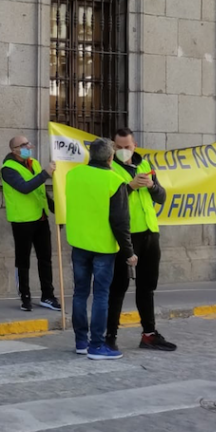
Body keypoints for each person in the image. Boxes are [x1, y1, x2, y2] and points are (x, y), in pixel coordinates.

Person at [106, 129, 176, 352]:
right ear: (112, 147)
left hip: (149, 232)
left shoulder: (145, 165)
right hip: (124, 235)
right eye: (118, 147)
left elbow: (162, 196)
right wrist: (130, 187)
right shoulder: (109, 167)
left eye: (127, 146)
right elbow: (106, 201)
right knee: (118, 286)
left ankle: (149, 334)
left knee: (147, 286)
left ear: (135, 145)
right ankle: (110, 336)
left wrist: (152, 186)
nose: (123, 151)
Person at [65, 138, 135, 361]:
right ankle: (97, 345)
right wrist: (129, 252)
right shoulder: (115, 180)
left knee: (79, 293)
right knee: (101, 296)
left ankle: (81, 342)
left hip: (78, 242)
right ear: (110, 157)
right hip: (103, 246)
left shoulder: (73, 175)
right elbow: (120, 222)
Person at [0, 136, 62, 312]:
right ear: (14, 150)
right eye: (23, 145)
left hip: (40, 217)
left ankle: (48, 295)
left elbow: (41, 191)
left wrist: (55, 209)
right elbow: (25, 187)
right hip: (22, 220)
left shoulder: (33, 162)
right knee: (23, 260)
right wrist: (45, 174)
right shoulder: (8, 169)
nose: (28, 146)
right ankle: (25, 296)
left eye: (28, 143)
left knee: (45, 258)